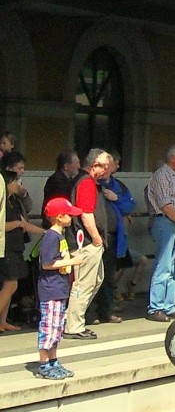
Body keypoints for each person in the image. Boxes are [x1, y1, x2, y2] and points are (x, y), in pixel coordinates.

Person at [35, 198, 87, 379]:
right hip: (51, 290)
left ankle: (53, 360)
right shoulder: (51, 236)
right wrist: (72, 261)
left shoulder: (60, 236)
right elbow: (47, 264)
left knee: (57, 328)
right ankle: (44, 364)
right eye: (69, 214)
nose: (72, 218)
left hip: (59, 288)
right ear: (59, 217)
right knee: (49, 327)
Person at [63, 149, 111, 340]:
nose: (107, 171)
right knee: (84, 283)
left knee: (94, 280)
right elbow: (86, 213)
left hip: (85, 240)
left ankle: (75, 320)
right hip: (86, 242)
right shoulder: (87, 182)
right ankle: (73, 325)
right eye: (105, 167)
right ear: (95, 166)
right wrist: (97, 238)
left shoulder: (83, 181)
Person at [145, 145, 175, 322]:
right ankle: (155, 307)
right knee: (164, 264)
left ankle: (169, 305)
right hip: (165, 221)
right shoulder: (162, 176)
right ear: (174, 158)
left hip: (174, 222)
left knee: (174, 266)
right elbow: (166, 205)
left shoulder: (174, 176)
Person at [91, 152, 134, 325]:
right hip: (95, 236)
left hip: (113, 237)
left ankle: (106, 312)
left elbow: (130, 205)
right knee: (92, 277)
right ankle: (90, 313)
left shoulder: (119, 186)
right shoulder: (91, 184)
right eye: (104, 166)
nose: (108, 169)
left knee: (108, 277)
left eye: (111, 165)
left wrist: (116, 198)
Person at [2, 153, 39, 332]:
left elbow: (27, 211)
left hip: (17, 242)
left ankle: (3, 320)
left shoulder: (16, 197)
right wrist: (18, 223)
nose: (22, 173)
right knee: (11, 283)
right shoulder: (3, 192)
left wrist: (23, 195)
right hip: (6, 243)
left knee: (9, 284)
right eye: (19, 168)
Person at [40, 150, 79, 224]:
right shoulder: (56, 180)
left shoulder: (69, 179)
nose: (78, 166)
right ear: (66, 166)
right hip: (55, 219)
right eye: (76, 163)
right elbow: (62, 201)